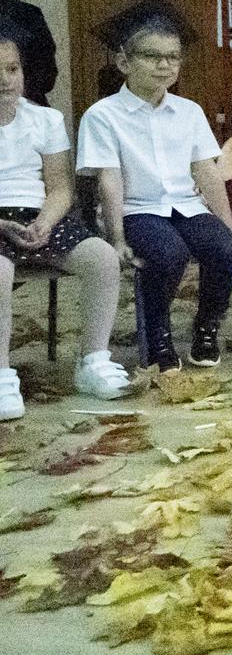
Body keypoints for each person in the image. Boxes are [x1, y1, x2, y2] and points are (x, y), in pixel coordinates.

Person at [77, 0, 232, 372]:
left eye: (173, 57)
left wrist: (230, 226)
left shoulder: (189, 112)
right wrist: (117, 238)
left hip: (185, 205)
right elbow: (109, 180)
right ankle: (157, 335)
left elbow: (207, 172)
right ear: (124, 62)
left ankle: (206, 327)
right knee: (168, 253)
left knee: (225, 249)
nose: (165, 65)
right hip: (136, 210)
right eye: (152, 56)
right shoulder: (102, 115)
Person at [0, 21, 130, 418]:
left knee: (102, 258)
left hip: (37, 214)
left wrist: (44, 221)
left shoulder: (45, 120)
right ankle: (1, 375)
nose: (5, 80)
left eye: (12, 69)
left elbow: (60, 188)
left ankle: (93, 361)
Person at [0, 0, 59, 107]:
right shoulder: (30, 14)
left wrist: (10, 96)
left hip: (26, 110)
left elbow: (47, 75)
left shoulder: (28, 16)